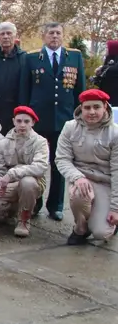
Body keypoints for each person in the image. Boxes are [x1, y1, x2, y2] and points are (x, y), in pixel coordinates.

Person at [20, 22, 85, 221]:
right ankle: (35, 202)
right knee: (36, 163)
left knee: (60, 163)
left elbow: (79, 90)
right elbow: (25, 89)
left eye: (58, 33)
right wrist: (26, 117)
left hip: (64, 120)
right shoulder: (31, 58)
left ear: (62, 35)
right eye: (51, 33)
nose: (54, 36)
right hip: (38, 120)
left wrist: (79, 117)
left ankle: (56, 205)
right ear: (44, 36)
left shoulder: (74, 57)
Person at [55, 89, 118, 245]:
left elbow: (117, 171)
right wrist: (77, 177)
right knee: (79, 193)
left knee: (101, 233)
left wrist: (115, 208)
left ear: (105, 107)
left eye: (96, 107)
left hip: (105, 182)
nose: (92, 112)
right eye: (87, 107)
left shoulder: (115, 133)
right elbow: (62, 159)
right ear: (81, 109)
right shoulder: (70, 127)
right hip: (81, 179)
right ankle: (81, 228)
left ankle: (101, 221)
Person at [0, 106, 49, 237]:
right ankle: (13, 211)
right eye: (19, 121)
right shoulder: (3, 143)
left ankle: (24, 220)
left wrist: (12, 174)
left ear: (33, 122)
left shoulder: (40, 142)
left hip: (33, 183)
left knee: (27, 182)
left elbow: (40, 167)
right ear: (13, 121)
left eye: (27, 121)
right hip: (8, 184)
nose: (22, 125)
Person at [94, 40, 118, 104]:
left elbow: (114, 69)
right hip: (105, 91)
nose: (106, 50)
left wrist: (102, 68)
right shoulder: (108, 58)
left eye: (107, 48)